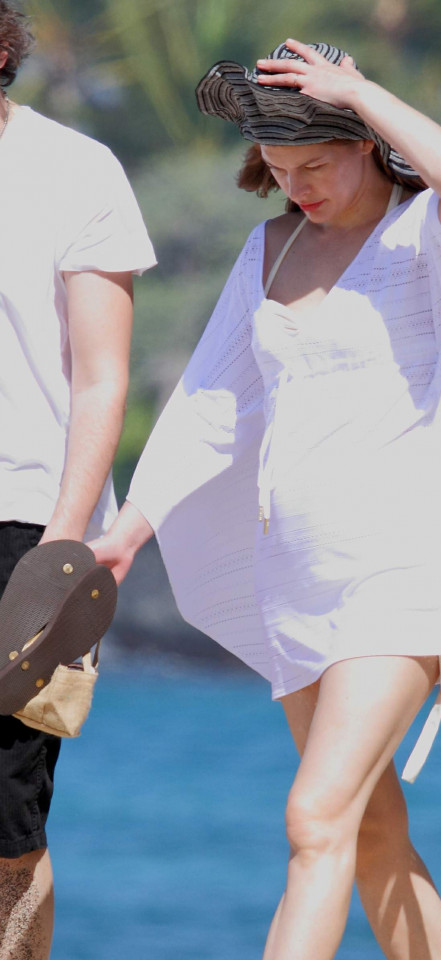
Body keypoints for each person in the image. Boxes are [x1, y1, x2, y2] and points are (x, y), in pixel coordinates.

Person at [92, 40, 441, 960]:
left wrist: (359, 89)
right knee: (370, 834)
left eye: (314, 166)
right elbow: (211, 408)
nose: (295, 187)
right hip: (296, 581)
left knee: (313, 818)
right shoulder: (270, 251)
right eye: (278, 169)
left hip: (400, 576)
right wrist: (126, 534)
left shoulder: (426, 237)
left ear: (366, 142)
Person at [0, 3, 156, 957]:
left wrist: (61, 550)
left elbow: (102, 377)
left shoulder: (74, 168)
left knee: (7, 820)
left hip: (27, 520)